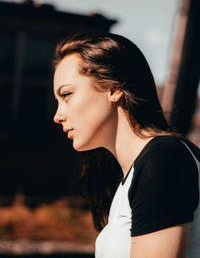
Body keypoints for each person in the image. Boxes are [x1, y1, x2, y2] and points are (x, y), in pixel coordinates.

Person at [53, 32, 200, 258]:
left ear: (113, 89)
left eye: (67, 94)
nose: (58, 115)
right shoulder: (131, 177)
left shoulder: (163, 159)